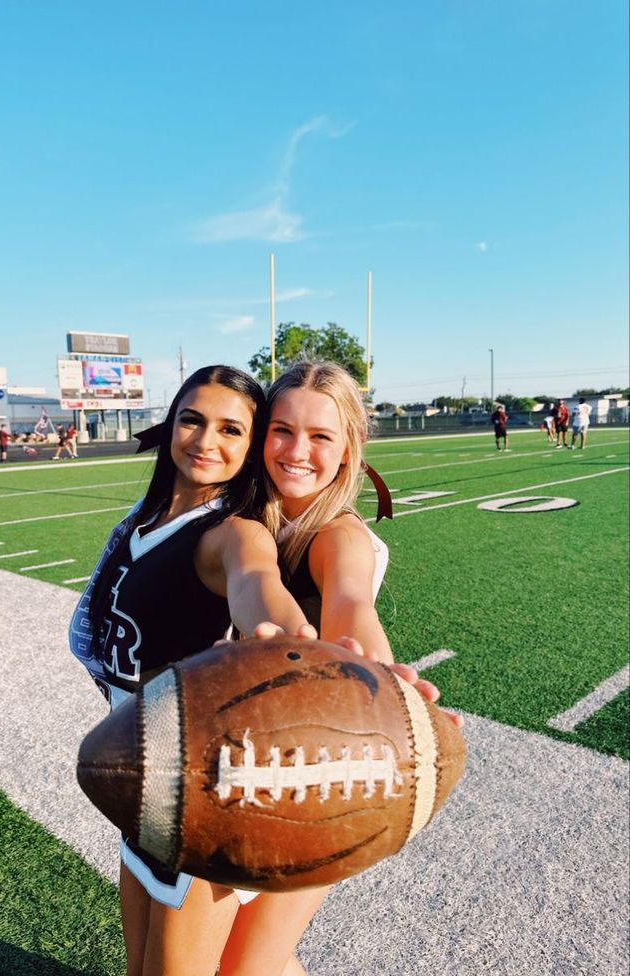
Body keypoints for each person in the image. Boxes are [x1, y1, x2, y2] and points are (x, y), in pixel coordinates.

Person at [70, 365, 322, 976]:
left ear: (251, 445)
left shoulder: (230, 533)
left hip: (201, 798)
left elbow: (255, 577)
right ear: (171, 424)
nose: (207, 441)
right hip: (144, 782)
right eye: (193, 419)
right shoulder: (143, 521)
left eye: (232, 430)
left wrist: (281, 634)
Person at [212, 360, 461, 976]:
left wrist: (374, 676)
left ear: (349, 449)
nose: (297, 451)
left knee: (249, 966)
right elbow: (250, 579)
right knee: (236, 962)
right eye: (282, 430)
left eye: (321, 436)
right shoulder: (244, 514)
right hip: (245, 759)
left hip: (314, 775)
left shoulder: (339, 533)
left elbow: (349, 606)